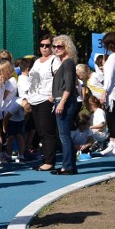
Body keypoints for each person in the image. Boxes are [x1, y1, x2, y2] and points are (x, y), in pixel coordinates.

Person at [27, 35, 59, 170]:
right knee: (40, 131)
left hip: (46, 99)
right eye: (42, 45)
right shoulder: (37, 61)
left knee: (48, 131)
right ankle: (45, 158)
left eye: (47, 45)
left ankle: (50, 161)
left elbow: (59, 79)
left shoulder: (55, 60)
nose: (44, 48)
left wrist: (53, 96)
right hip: (34, 100)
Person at [51, 35, 79, 174]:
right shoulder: (64, 63)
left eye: (60, 46)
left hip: (65, 102)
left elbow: (69, 86)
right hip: (62, 100)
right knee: (65, 135)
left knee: (64, 136)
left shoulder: (67, 63)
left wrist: (61, 102)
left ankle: (67, 166)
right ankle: (70, 165)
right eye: (54, 46)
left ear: (67, 47)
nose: (56, 49)